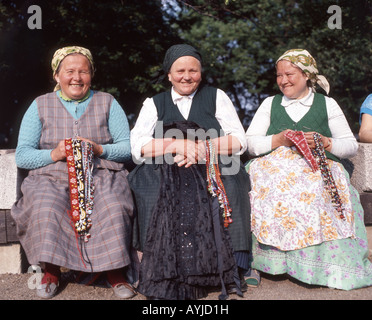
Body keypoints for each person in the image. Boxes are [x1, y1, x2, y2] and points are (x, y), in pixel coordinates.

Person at [11, 46, 137, 299]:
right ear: (57, 76)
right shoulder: (40, 105)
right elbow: (22, 154)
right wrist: (53, 154)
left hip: (101, 173)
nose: (77, 78)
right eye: (69, 71)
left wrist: (100, 148)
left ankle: (115, 272)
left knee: (112, 204)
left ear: (92, 74)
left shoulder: (108, 102)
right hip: (51, 176)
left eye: (84, 71)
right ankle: (51, 271)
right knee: (45, 204)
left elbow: (128, 148)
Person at [129, 44, 252, 299]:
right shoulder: (154, 103)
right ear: (169, 75)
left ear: (201, 72)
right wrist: (175, 144)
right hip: (166, 164)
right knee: (151, 188)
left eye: (193, 71)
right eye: (180, 71)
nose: (187, 76)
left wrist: (202, 148)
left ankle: (234, 269)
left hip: (212, 161)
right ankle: (159, 267)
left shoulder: (217, 97)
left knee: (231, 183)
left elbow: (239, 140)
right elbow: (137, 146)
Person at [245, 48, 372, 290]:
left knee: (313, 188)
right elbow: (250, 142)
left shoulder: (327, 104)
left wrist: (326, 142)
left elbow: (350, 145)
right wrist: (278, 140)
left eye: (289, 74)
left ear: (307, 75)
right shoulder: (270, 104)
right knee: (270, 186)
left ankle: (316, 265)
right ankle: (267, 261)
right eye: (279, 75)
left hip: (318, 165)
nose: (283, 80)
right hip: (275, 164)